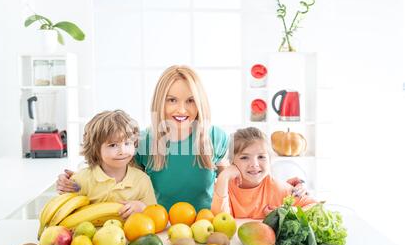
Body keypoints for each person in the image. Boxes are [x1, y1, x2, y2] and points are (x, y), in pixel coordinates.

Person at [57, 65, 308, 212]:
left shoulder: (215, 137)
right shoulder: (145, 141)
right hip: (158, 225)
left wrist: (286, 187)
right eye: (172, 100)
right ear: (160, 102)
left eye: (190, 101)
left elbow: (242, 176)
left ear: (199, 103)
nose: (181, 110)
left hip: (206, 225)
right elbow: (117, 176)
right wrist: (76, 180)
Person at [211, 127, 316, 219]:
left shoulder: (277, 188)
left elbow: (315, 207)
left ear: (269, 160)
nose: (254, 164)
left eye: (261, 157)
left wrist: (286, 213)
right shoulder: (224, 187)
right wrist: (223, 177)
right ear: (232, 162)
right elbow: (219, 221)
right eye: (244, 157)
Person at [69, 110, 157, 219]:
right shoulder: (82, 180)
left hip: (132, 234)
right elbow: (65, 213)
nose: (122, 151)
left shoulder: (142, 180)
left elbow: (154, 214)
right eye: (113, 145)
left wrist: (142, 208)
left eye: (127, 143)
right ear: (95, 149)